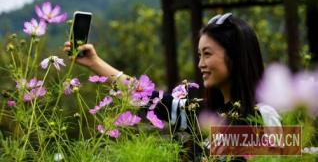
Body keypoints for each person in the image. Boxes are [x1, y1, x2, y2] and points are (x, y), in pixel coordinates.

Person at [63, 13, 281, 159]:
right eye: (198, 55)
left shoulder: (262, 116)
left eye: (207, 54)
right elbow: (151, 99)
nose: (200, 64)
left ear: (235, 56)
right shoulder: (204, 115)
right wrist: (95, 63)